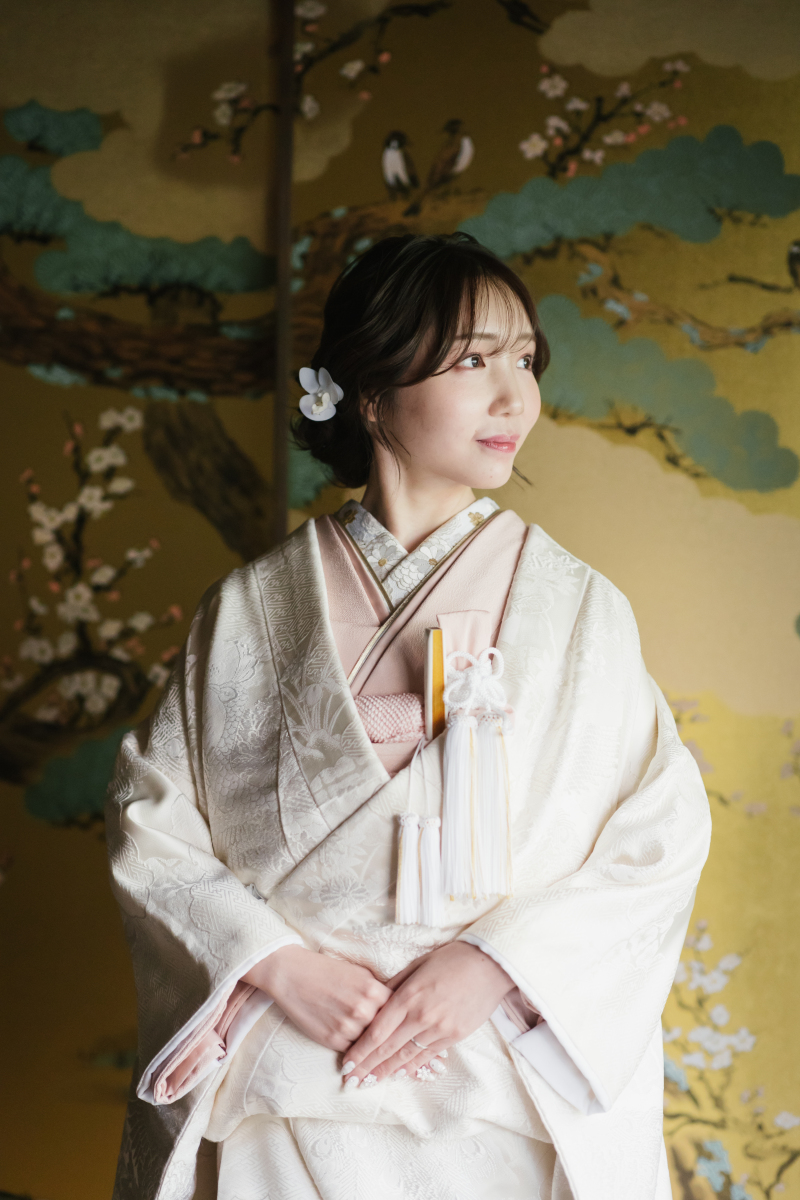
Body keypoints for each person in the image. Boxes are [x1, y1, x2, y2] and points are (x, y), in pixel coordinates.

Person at [106, 233, 711, 1200]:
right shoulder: (251, 609)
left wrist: (493, 963)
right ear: (371, 390)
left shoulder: (578, 609)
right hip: (294, 1067)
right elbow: (152, 820)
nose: (516, 397)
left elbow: (660, 834)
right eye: (474, 361)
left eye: (525, 360)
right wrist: (272, 963)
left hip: (498, 1072)